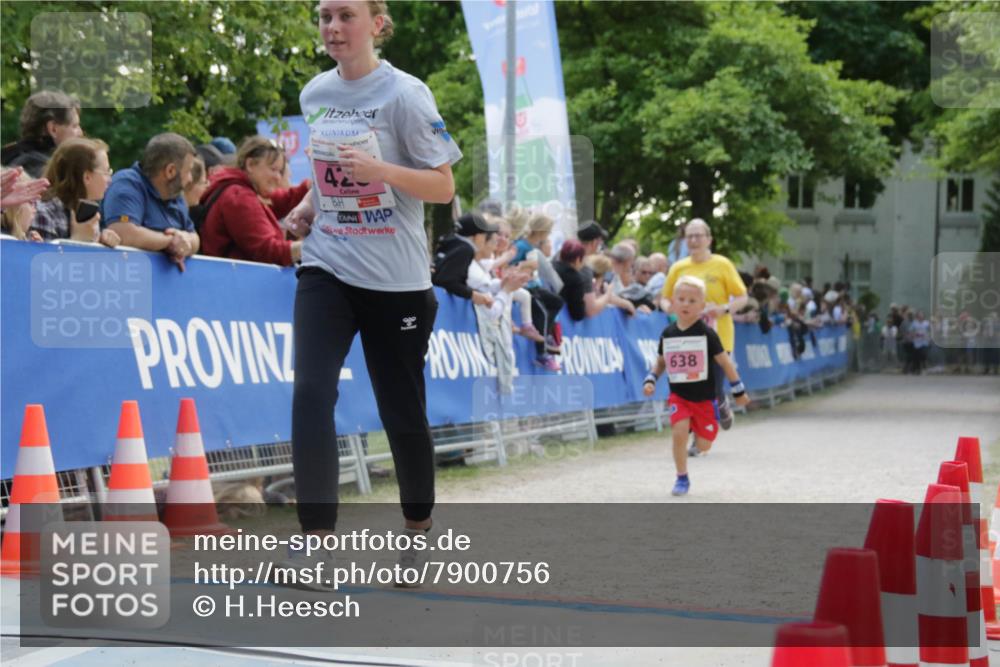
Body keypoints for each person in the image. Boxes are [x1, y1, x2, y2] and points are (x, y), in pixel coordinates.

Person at [280, 0, 461, 590]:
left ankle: (417, 529)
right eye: (324, 16)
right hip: (328, 265)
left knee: (400, 412)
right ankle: (316, 546)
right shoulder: (315, 93)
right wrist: (308, 206)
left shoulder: (406, 94)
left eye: (346, 16)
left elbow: (442, 186)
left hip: (396, 281)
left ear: (377, 25)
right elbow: (329, 171)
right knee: (311, 392)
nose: (333, 27)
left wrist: (380, 171)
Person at [643, 276, 749, 496]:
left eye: (692, 301)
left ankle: (701, 424)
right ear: (673, 302)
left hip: (704, 399)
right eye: (681, 299)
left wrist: (738, 390)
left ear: (702, 306)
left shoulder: (708, 334)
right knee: (679, 433)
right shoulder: (668, 333)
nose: (686, 304)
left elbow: (725, 362)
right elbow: (661, 362)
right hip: (679, 396)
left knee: (704, 445)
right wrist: (651, 378)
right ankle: (681, 478)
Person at [660, 218, 747, 444]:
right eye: (689, 236)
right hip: (687, 339)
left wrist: (723, 309)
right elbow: (665, 298)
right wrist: (671, 310)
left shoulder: (722, 265)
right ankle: (697, 440)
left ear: (709, 239)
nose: (693, 240)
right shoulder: (678, 268)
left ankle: (721, 403)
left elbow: (742, 297)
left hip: (718, 335)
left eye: (698, 235)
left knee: (713, 388)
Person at [199, 136, 310, 266]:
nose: (278, 178)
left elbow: (283, 200)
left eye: (280, 172)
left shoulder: (238, 189)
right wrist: (312, 246)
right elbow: (267, 251)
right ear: (250, 164)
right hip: (234, 277)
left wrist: (311, 186)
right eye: (273, 169)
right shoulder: (239, 197)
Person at [102, 132, 200, 270]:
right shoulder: (127, 184)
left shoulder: (176, 197)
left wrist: (186, 240)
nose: (190, 179)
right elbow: (123, 233)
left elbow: (195, 238)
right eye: (188, 171)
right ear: (170, 171)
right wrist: (170, 241)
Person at [31, 138, 120, 247]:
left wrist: (101, 243)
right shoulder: (44, 214)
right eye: (106, 172)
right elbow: (41, 257)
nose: (110, 179)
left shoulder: (88, 214)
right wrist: (78, 240)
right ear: (87, 177)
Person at [1, 91, 83, 178]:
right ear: (53, 129)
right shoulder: (48, 173)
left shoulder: (9, 156)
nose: (80, 133)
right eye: (75, 126)